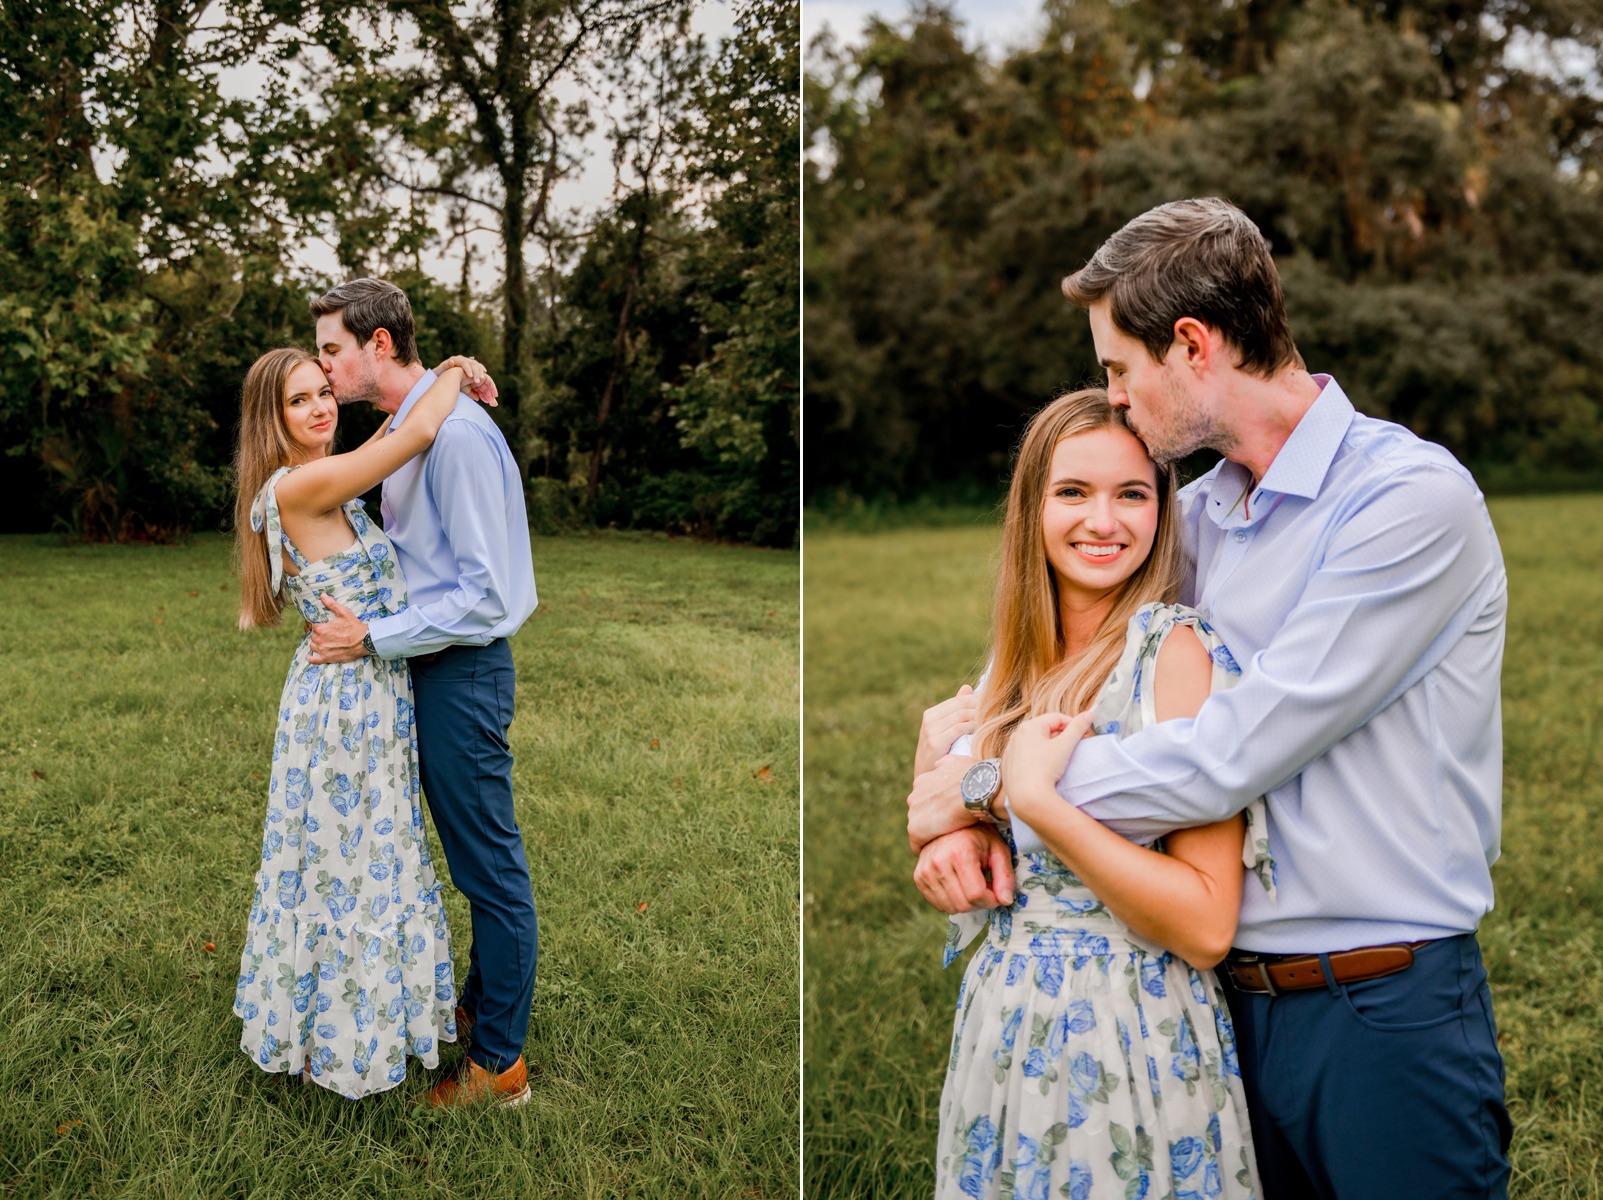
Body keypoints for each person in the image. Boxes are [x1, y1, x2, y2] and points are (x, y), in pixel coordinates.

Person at [909, 197, 1511, 1198]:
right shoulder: (1194, 517)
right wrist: (950, 797)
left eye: (1116, 368)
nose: (1114, 397)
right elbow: (1044, 676)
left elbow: (1227, 754)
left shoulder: (1406, 502)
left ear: (1189, 344)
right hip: (1205, 1009)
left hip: (1376, 1005)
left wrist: (992, 790)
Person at [926, 386, 1271, 1199]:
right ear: (1030, 507)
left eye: (1132, 494)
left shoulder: (1172, 656)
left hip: (1128, 1031)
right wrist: (949, 827)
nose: (1103, 521)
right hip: (1004, 1022)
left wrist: (1040, 805)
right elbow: (965, 815)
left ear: (1162, 510)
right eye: (1073, 492)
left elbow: (1205, 922)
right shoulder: (1013, 666)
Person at [231, 346, 494, 1098]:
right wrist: (453, 372)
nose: (320, 408)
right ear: (270, 420)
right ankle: (337, 1045)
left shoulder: (329, 482)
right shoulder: (301, 484)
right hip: (343, 706)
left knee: (367, 861)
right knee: (349, 873)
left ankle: (352, 1025)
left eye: (323, 393)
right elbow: (409, 438)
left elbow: (386, 443)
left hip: (368, 692)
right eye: (298, 401)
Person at [303, 278, 540, 1109]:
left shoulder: (455, 439)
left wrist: (370, 637)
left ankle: (500, 1063)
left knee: (489, 869)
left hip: (463, 671)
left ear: (377, 345)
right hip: (430, 667)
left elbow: (481, 594)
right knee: (472, 859)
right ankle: (480, 1010)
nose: (325, 366)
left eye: (332, 348)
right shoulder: (411, 428)